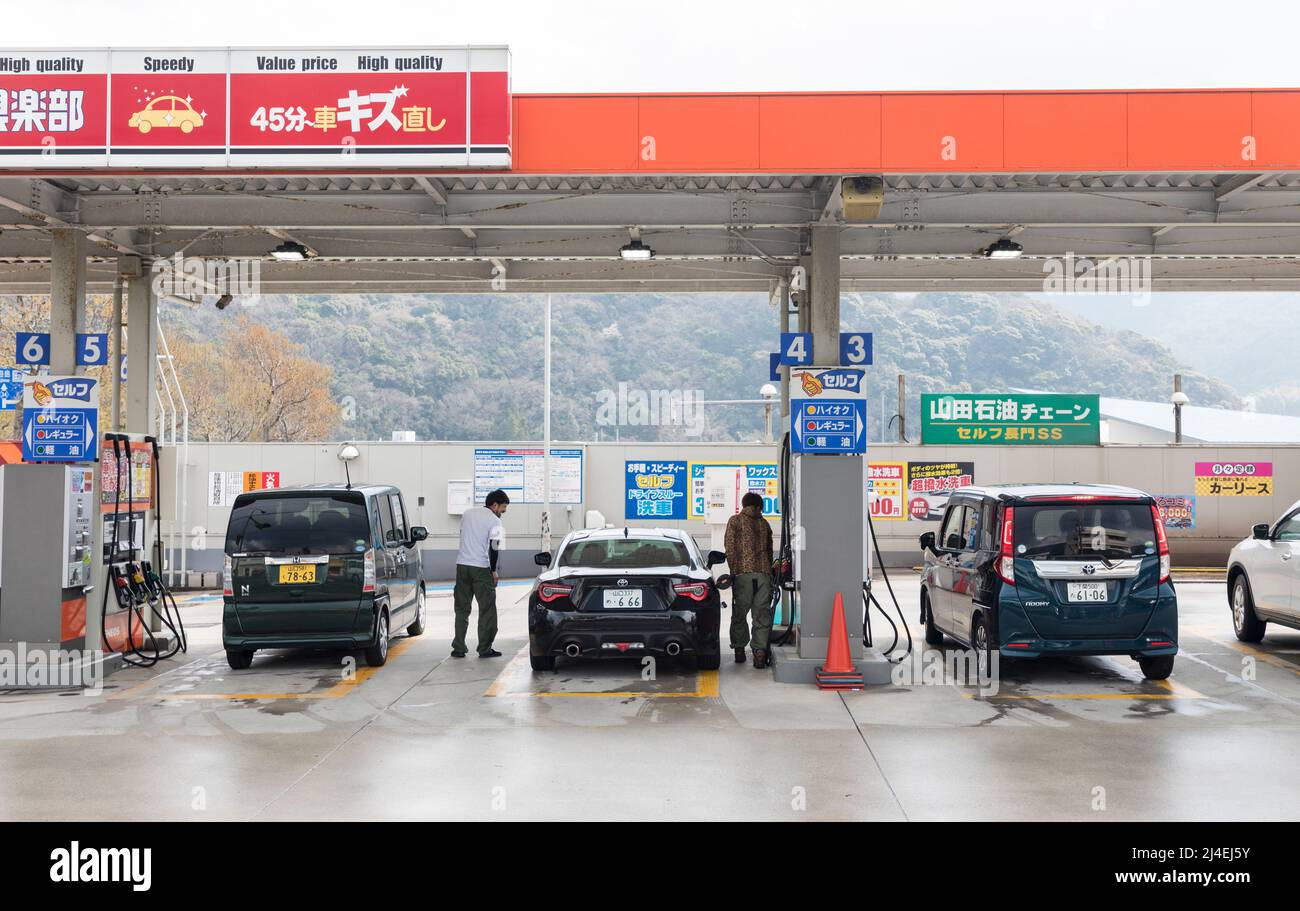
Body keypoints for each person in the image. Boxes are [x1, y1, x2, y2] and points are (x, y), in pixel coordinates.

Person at [452, 489, 509, 658]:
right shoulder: (495, 521)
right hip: (481, 567)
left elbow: (463, 535)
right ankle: (484, 648)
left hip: (462, 565)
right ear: (494, 504)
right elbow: (495, 548)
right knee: (487, 609)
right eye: (502, 508)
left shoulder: (467, 513)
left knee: (461, 609)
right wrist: (493, 570)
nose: (503, 513)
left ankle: (459, 648)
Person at [724, 491, 774, 668]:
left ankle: (739, 649)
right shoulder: (765, 524)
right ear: (759, 506)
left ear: (744, 505)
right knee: (761, 614)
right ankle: (759, 652)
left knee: (740, 613)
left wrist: (733, 571)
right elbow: (769, 551)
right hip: (763, 575)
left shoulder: (735, 521)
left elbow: (729, 548)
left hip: (742, 574)